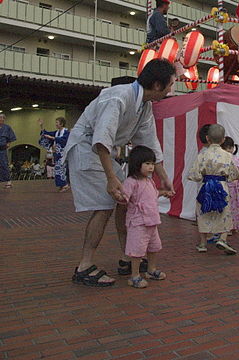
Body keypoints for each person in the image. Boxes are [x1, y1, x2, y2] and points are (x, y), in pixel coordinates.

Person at [65, 58, 176, 287]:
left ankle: (128, 257)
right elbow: (102, 139)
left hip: (102, 152)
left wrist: (163, 177)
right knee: (105, 205)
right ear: (157, 85)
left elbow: (149, 144)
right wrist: (111, 178)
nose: (170, 90)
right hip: (87, 149)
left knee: (126, 200)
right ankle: (84, 266)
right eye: (170, 84)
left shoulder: (144, 105)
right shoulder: (118, 96)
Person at [188, 124, 239, 255]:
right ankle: (223, 238)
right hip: (221, 186)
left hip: (205, 185)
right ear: (223, 140)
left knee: (203, 212)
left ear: (207, 138)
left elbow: (194, 174)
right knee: (224, 212)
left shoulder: (202, 155)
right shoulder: (227, 156)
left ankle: (202, 243)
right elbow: (235, 173)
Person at [122, 145, 169, 289]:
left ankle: (151, 270)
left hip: (152, 222)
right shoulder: (131, 182)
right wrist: (119, 196)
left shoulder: (149, 181)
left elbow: (153, 195)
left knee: (154, 247)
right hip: (138, 222)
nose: (151, 167)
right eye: (147, 163)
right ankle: (134, 276)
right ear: (137, 164)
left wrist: (163, 192)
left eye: (152, 164)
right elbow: (124, 198)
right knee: (136, 250)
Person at [221, 136, 239, 234]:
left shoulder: (235, 159)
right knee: (227, 207)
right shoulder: (226, 159)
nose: (228, 151)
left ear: (232, 148)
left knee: (233, 207)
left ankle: (232, 226)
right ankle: (227, 227)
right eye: (225, 148)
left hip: (232, 187)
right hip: (225, 186)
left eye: (229, 148)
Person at [38, 117, 70, 191]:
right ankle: (62, 185)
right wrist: (41, 126)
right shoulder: (56, 132)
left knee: (62, 170)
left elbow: (64, 140)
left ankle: (65, 184)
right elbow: (47, 133)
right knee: (57, 170)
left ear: (61, 124)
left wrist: (53, 138)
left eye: (57, 122)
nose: (56, 124)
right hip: (57, 154)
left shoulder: (66, 132)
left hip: (63, 154)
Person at [0, 114, 16, 189]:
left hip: (2, 149)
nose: (1, 119)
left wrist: (8, 143)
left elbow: (11, 137)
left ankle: (8, 181)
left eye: (3, 118)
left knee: (4, 164)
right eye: (0, 118)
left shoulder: (7, 128)